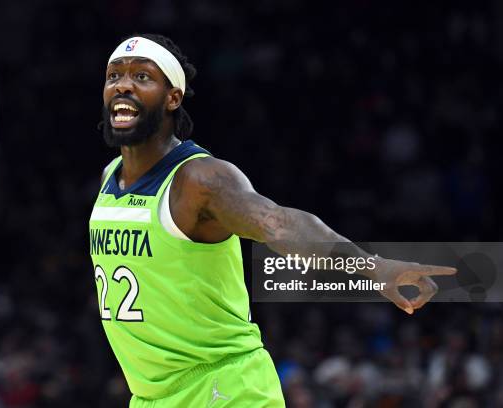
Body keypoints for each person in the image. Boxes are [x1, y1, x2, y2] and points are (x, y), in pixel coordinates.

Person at [90, 34, 456, 407]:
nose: (123, 84)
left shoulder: (199, 179)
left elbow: (277, 223)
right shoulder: (110, 177)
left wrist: (371, 266)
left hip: (225, 388)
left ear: (173, 98)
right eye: (114, 75)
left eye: (142, 77)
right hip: (152, 397)